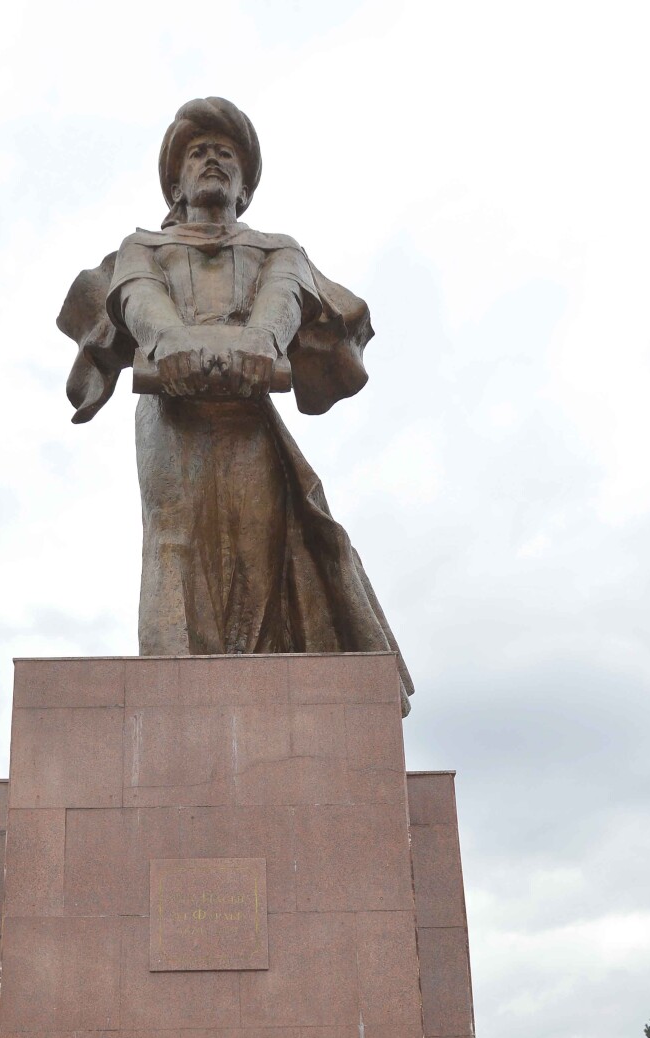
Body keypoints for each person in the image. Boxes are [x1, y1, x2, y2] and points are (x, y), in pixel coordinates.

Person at [58, 97, 413, 708]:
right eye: (199, 154)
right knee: (173, 545)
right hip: (172, 413)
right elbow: (137, 296)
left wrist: (261, 339)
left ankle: (252, 705)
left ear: (245, 186)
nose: (213, 161)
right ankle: (171, 704)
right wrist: (168, 339)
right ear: (177, 181)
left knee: (258, 557)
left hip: (249, 418)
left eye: (226, 155)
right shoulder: (144, 247)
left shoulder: (276, 249)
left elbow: (287, 295)